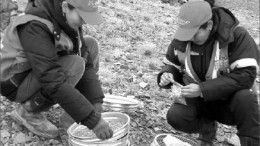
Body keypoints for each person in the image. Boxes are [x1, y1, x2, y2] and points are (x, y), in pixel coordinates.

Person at [0, 0, 114, 140]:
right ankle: (29, 110)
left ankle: (75, 112)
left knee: (90, 45)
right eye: (82, 17)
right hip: (16, 82)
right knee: (75, 64)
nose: (84, 23)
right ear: (65, 6)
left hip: (38, 71)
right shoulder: (34, 26)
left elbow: (86, 60)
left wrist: (95, 101)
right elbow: (52, 79)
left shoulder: (64, 18)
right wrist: (92, 120)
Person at [157, 1, 260, 146]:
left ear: (209, 26)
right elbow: (172, 64)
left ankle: (250, 142)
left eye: (195, 33)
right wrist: (168, 74)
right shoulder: (183, 37)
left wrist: (202, 89)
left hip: (229, 103)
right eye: (186, 33)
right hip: (199, 101)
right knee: (176, 116)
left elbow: (246, 76)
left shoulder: (237, 35)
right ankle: (207, 129)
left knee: (246, 98)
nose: (189, 38)